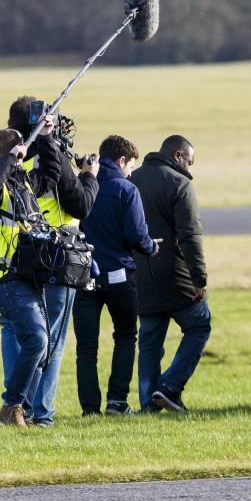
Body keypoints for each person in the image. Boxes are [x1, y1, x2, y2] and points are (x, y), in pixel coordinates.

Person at [0, 96, 99, 426]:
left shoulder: (6, 159)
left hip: (15, 258)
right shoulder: (50, 156)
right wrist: (89, 175)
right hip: (56, 258)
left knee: (16, 332)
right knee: (51, 340)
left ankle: (15, 404)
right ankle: (39, 412)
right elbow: (81, 204)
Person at [0, 122, 60, 427]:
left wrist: (45, 138)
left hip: (26, 277)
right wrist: (9, 157)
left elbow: (50, 176)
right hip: (5, 280)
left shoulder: (19, 183)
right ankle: (12, 407)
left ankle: (23, 410)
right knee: (36, 339)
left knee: (40, 344)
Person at [73, 135, 159, 416]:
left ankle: (89, 408)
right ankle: (117, 402)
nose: (131, 172)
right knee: (125, 336)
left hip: (83, 276)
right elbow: (136, 235)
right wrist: (151, 247)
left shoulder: (82, 185)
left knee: (86, 347)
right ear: (121, 161)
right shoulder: (126, 190)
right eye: (130, 165)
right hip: (120, 276)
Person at [131, 135, 211, 413]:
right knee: (200, 326)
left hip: (139, 276)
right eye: (189, 161)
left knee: (150, 341)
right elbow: (190, 236)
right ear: (177, 155)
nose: (190, 168)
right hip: (176, 276)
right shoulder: (180, 183)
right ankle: (168, 388)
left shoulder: (132, 179)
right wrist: (199, 278)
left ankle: (148, 404)